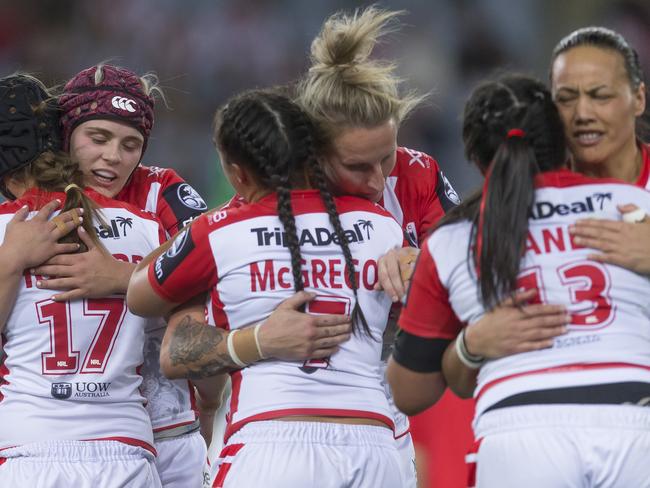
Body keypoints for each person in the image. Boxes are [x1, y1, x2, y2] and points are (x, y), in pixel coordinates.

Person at [127, 89, 406, 487]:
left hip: (271, 444)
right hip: (376, 447)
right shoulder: (382, 225)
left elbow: (141, 295)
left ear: (237, 173)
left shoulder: (219, 231)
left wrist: (209, 221)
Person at [387, 74, 650, 487]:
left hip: (519, 432)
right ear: (565, 140)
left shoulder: (452, 240)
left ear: (474, 157)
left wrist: (470, 347)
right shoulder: (634, 204)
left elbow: (408, 392)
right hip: (634, 419)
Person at [0, 74, 163, 487]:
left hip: (30, 447)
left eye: (129, 145)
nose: (113, 156)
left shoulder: (6, 229)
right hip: (129, 446)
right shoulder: (148, 228)